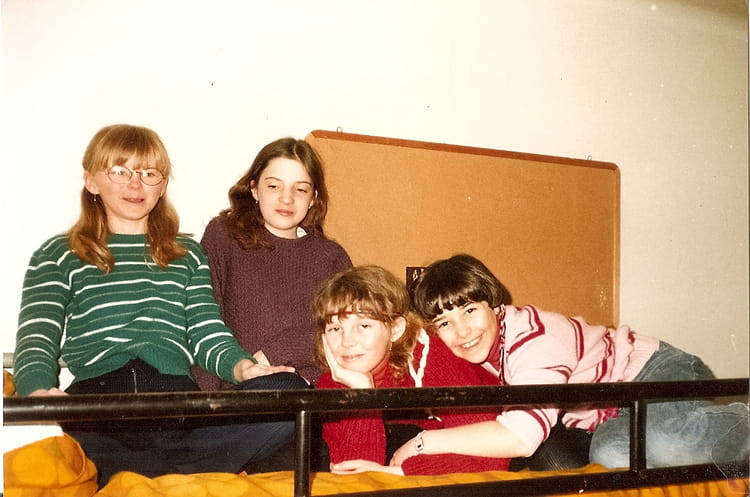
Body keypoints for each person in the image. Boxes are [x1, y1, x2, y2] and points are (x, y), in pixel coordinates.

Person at [12, 124, 307, 486]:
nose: (135, 185)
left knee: (289, 390)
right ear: (91, 181)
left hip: (177, 408)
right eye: (120, 171)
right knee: (35, 433)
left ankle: (135, 475)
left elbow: (207, 332)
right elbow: (36, 339)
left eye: (149, 173)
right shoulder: (58, 254)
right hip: (97, 410)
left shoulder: (187, 254)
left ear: (162, 185)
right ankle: (162, 474)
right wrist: (37, 394)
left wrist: (244, 368)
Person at [397, 253, 749, 470]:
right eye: (445, 323)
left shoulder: (534, 339)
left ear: (496, 307)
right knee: (612, 458)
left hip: (653, 369)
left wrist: (423, 443)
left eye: (470, 311)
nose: (461, 331)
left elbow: (520, 437)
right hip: (613, 411)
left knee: (667, 441)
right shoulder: (483, 350)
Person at [313, 265, 511, 475]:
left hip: (520, 432)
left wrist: (401, 472)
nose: (347, 342)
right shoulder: (331, 383)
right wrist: (362, 394)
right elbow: (354, 474)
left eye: (364, 326)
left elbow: (494, 456)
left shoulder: (431, 356)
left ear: (395, 329)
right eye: (335, 329)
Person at [193, 137, 351, 390]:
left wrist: (277, 352)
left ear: (313, 198)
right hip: (238, 393)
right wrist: (206, 403)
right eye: (274, 186)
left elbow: (347, 332)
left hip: (309, 390)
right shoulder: (224, 236)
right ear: (254, 189)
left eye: (300, 189)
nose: (286, 199)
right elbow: (203, 322)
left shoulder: (331, 257)